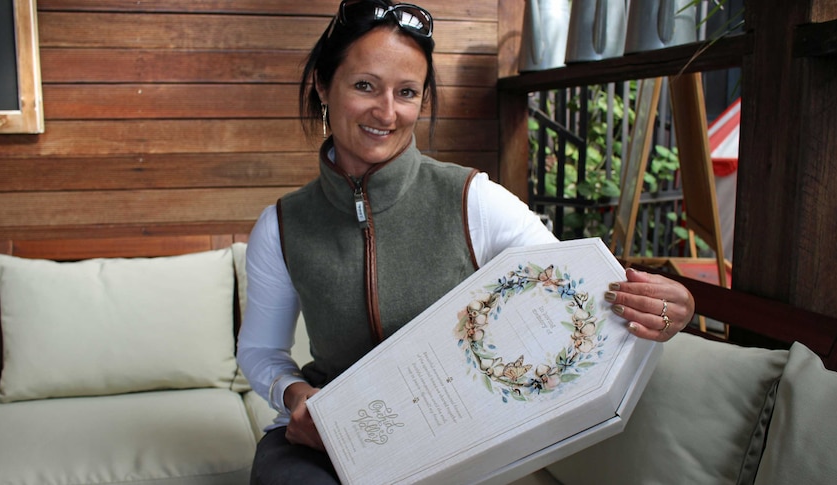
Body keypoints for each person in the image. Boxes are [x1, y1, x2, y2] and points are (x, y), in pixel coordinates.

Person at [238, 1, 696, 483]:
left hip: (449, 445)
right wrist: (294, 395)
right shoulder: (283, 225)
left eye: (407, 92)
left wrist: (672, 305)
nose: (387, 112)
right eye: (364, 86)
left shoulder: (472, 199)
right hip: (327, 439)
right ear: (323, 87)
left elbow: (573, 290)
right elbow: (262, 352)